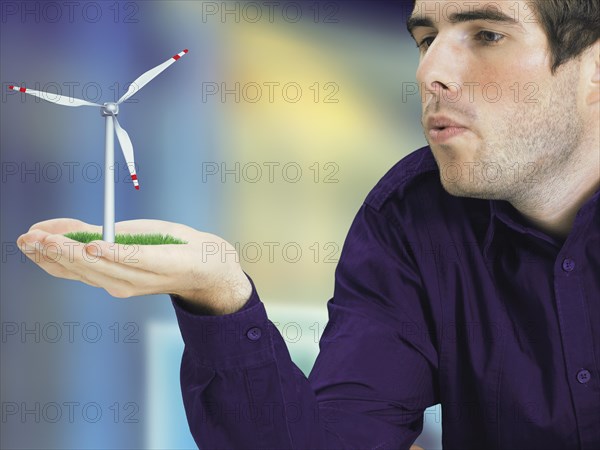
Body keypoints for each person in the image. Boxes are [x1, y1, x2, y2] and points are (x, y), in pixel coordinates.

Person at [17, 0, 599, 448]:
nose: (430, 71)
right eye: (425, 38)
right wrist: (217, 292)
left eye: (487, 35)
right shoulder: (409, 216)